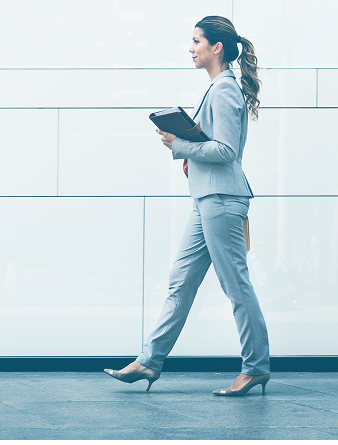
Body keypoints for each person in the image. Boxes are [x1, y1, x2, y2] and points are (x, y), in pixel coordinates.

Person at [104, 16, 270, 396]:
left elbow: (226, 151)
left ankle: (256, 367)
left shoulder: (225, 90)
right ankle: (149, 361)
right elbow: (213, 146)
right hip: (206, 200)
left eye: (196, 41)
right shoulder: (217, 89)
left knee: (237, 288)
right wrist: (191, 152)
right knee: (179, 284)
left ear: (217, 48)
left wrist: (180, 146)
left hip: (223, 201)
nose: (191, 47)